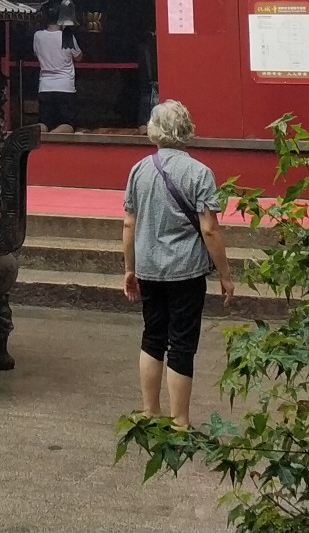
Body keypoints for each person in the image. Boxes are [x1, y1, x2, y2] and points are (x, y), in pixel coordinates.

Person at [122, 100, 236, 431]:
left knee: (152, 336)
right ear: (187, 129)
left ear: (154, 130)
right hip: (186, 271)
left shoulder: (139, 170)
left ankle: (149, 410)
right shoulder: (200, 173)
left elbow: (129, 223)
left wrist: (130, 268)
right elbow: (210, 229)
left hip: (149, 268)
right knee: (182, 343)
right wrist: (226, 275)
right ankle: (180, 420)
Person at [33, 1, 82, 132]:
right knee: (67, 124)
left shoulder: (38, 36)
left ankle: (35, 136)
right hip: (65, 86)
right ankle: (54, 135)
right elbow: (78, 57)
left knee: (43, 123)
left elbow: (35, 53)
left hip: (45, 86)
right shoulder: (67, 37)